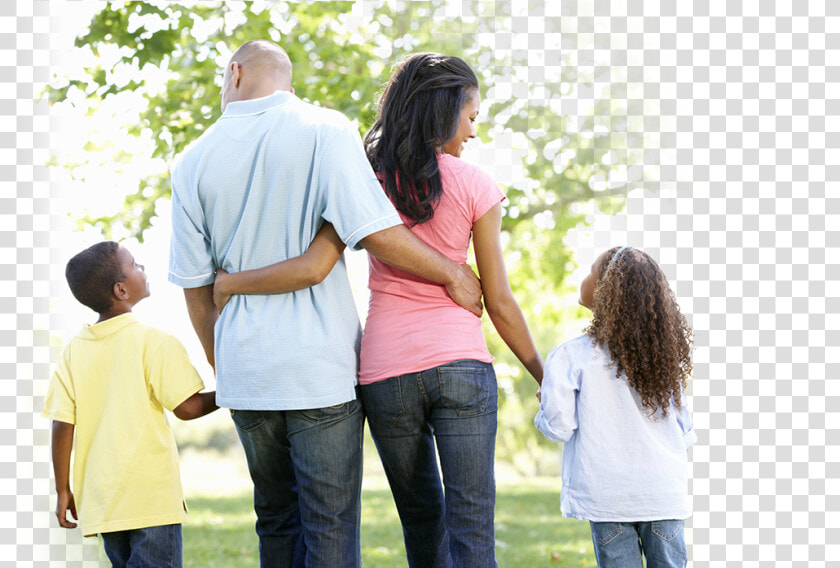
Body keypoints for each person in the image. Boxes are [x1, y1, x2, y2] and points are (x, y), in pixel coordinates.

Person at [213, 52, 543, 568]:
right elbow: (496, 299)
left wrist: (228, 284)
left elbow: (314, 263)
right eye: (472, 116)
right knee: (472, 529)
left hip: (385, 375)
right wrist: (542, 372)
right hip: (459, 366)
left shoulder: (366, 179)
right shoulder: (476, 185)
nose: (474, 132)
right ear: (446, 109)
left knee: (422, 525)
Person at [42, 241, 217, 568]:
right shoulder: (154, 341)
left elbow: (62, 424)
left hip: (103, 502)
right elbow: (188, 408)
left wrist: (63, 489)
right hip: (149, 500)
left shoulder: (72, 352)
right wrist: (231, 393)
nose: (143, 269)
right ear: (121, 290)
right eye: (135, 265)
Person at [534, 246, 696, 568]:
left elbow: (559, 427)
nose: (584, 278)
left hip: (609, 498)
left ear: (607, 289)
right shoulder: (662, 358)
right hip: (662, 494)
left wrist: (547, 404)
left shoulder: (572, 356)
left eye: (589, 271)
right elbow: (684, 431)